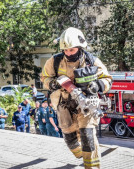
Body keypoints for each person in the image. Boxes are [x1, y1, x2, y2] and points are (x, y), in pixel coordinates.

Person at [41, 27, 112, 168]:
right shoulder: (54, 61)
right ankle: (82, 154)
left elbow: (108, 79)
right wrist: (53, 84)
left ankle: (92, 166)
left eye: (72, 50)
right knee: (70, 141)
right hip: (64, 106)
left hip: (86, 105)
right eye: (65, 50)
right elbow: (44, 77)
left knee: (88, 136)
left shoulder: (91, 61)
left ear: (80, 47)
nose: (68, 53)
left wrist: (97, 85)